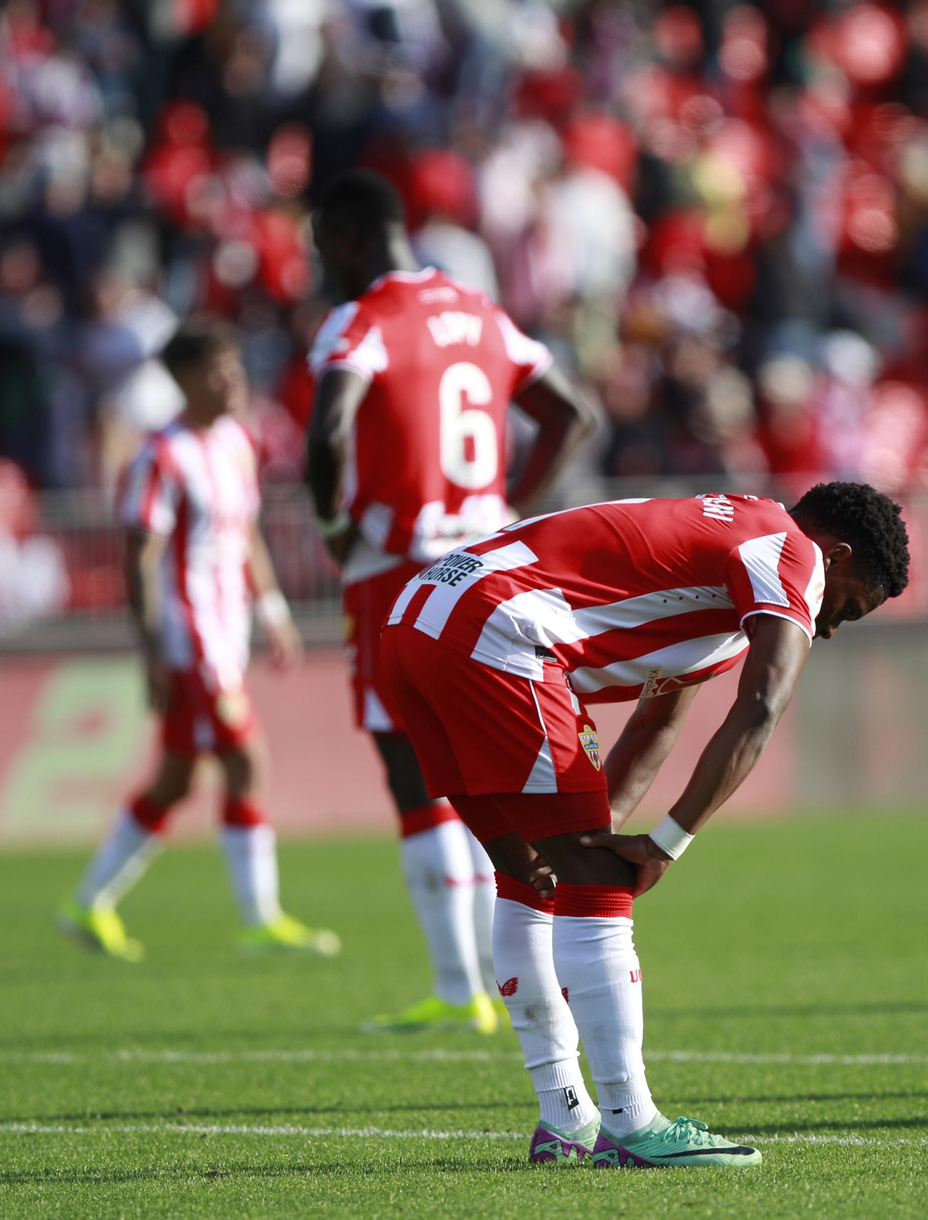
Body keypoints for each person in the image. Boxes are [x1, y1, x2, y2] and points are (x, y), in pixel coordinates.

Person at [377, 483, 909, 1166]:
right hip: (495, 627)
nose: (830, 629)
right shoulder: (793, 554)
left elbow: (658, 721)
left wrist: (600, 834)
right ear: (835, 556)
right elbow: (763, 707)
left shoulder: (729, 554)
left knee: (534, 875)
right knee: (593, 882)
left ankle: (564, 1121)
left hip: (418, 620)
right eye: (849, 609)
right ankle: (631, 1124)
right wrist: (665, 845)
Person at [304, 171, 594, 1033]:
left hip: (398, 569)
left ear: (356, 239)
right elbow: (570, 414)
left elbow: (326, 430)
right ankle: (516, 980)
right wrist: (510, 509)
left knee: (413, 773)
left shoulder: (359, 321)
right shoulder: (479, 310)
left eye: (326, 251)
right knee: (492, 771)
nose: (325, 270)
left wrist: (330, 525)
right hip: (484, 566)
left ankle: (460, 983)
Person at [57, 320, 339, 961]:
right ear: (184, 380)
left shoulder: (238, 441)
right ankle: (259, 917)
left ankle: (87, 903)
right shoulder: (160, 455)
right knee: (247, 760)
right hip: (191, 639)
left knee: (178, 780)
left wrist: (271, 609)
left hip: (229, 630)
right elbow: (139, 559)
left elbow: (244, 533)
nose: (233, 381)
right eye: (218, 372)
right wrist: (153, 654)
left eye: (235, 368)